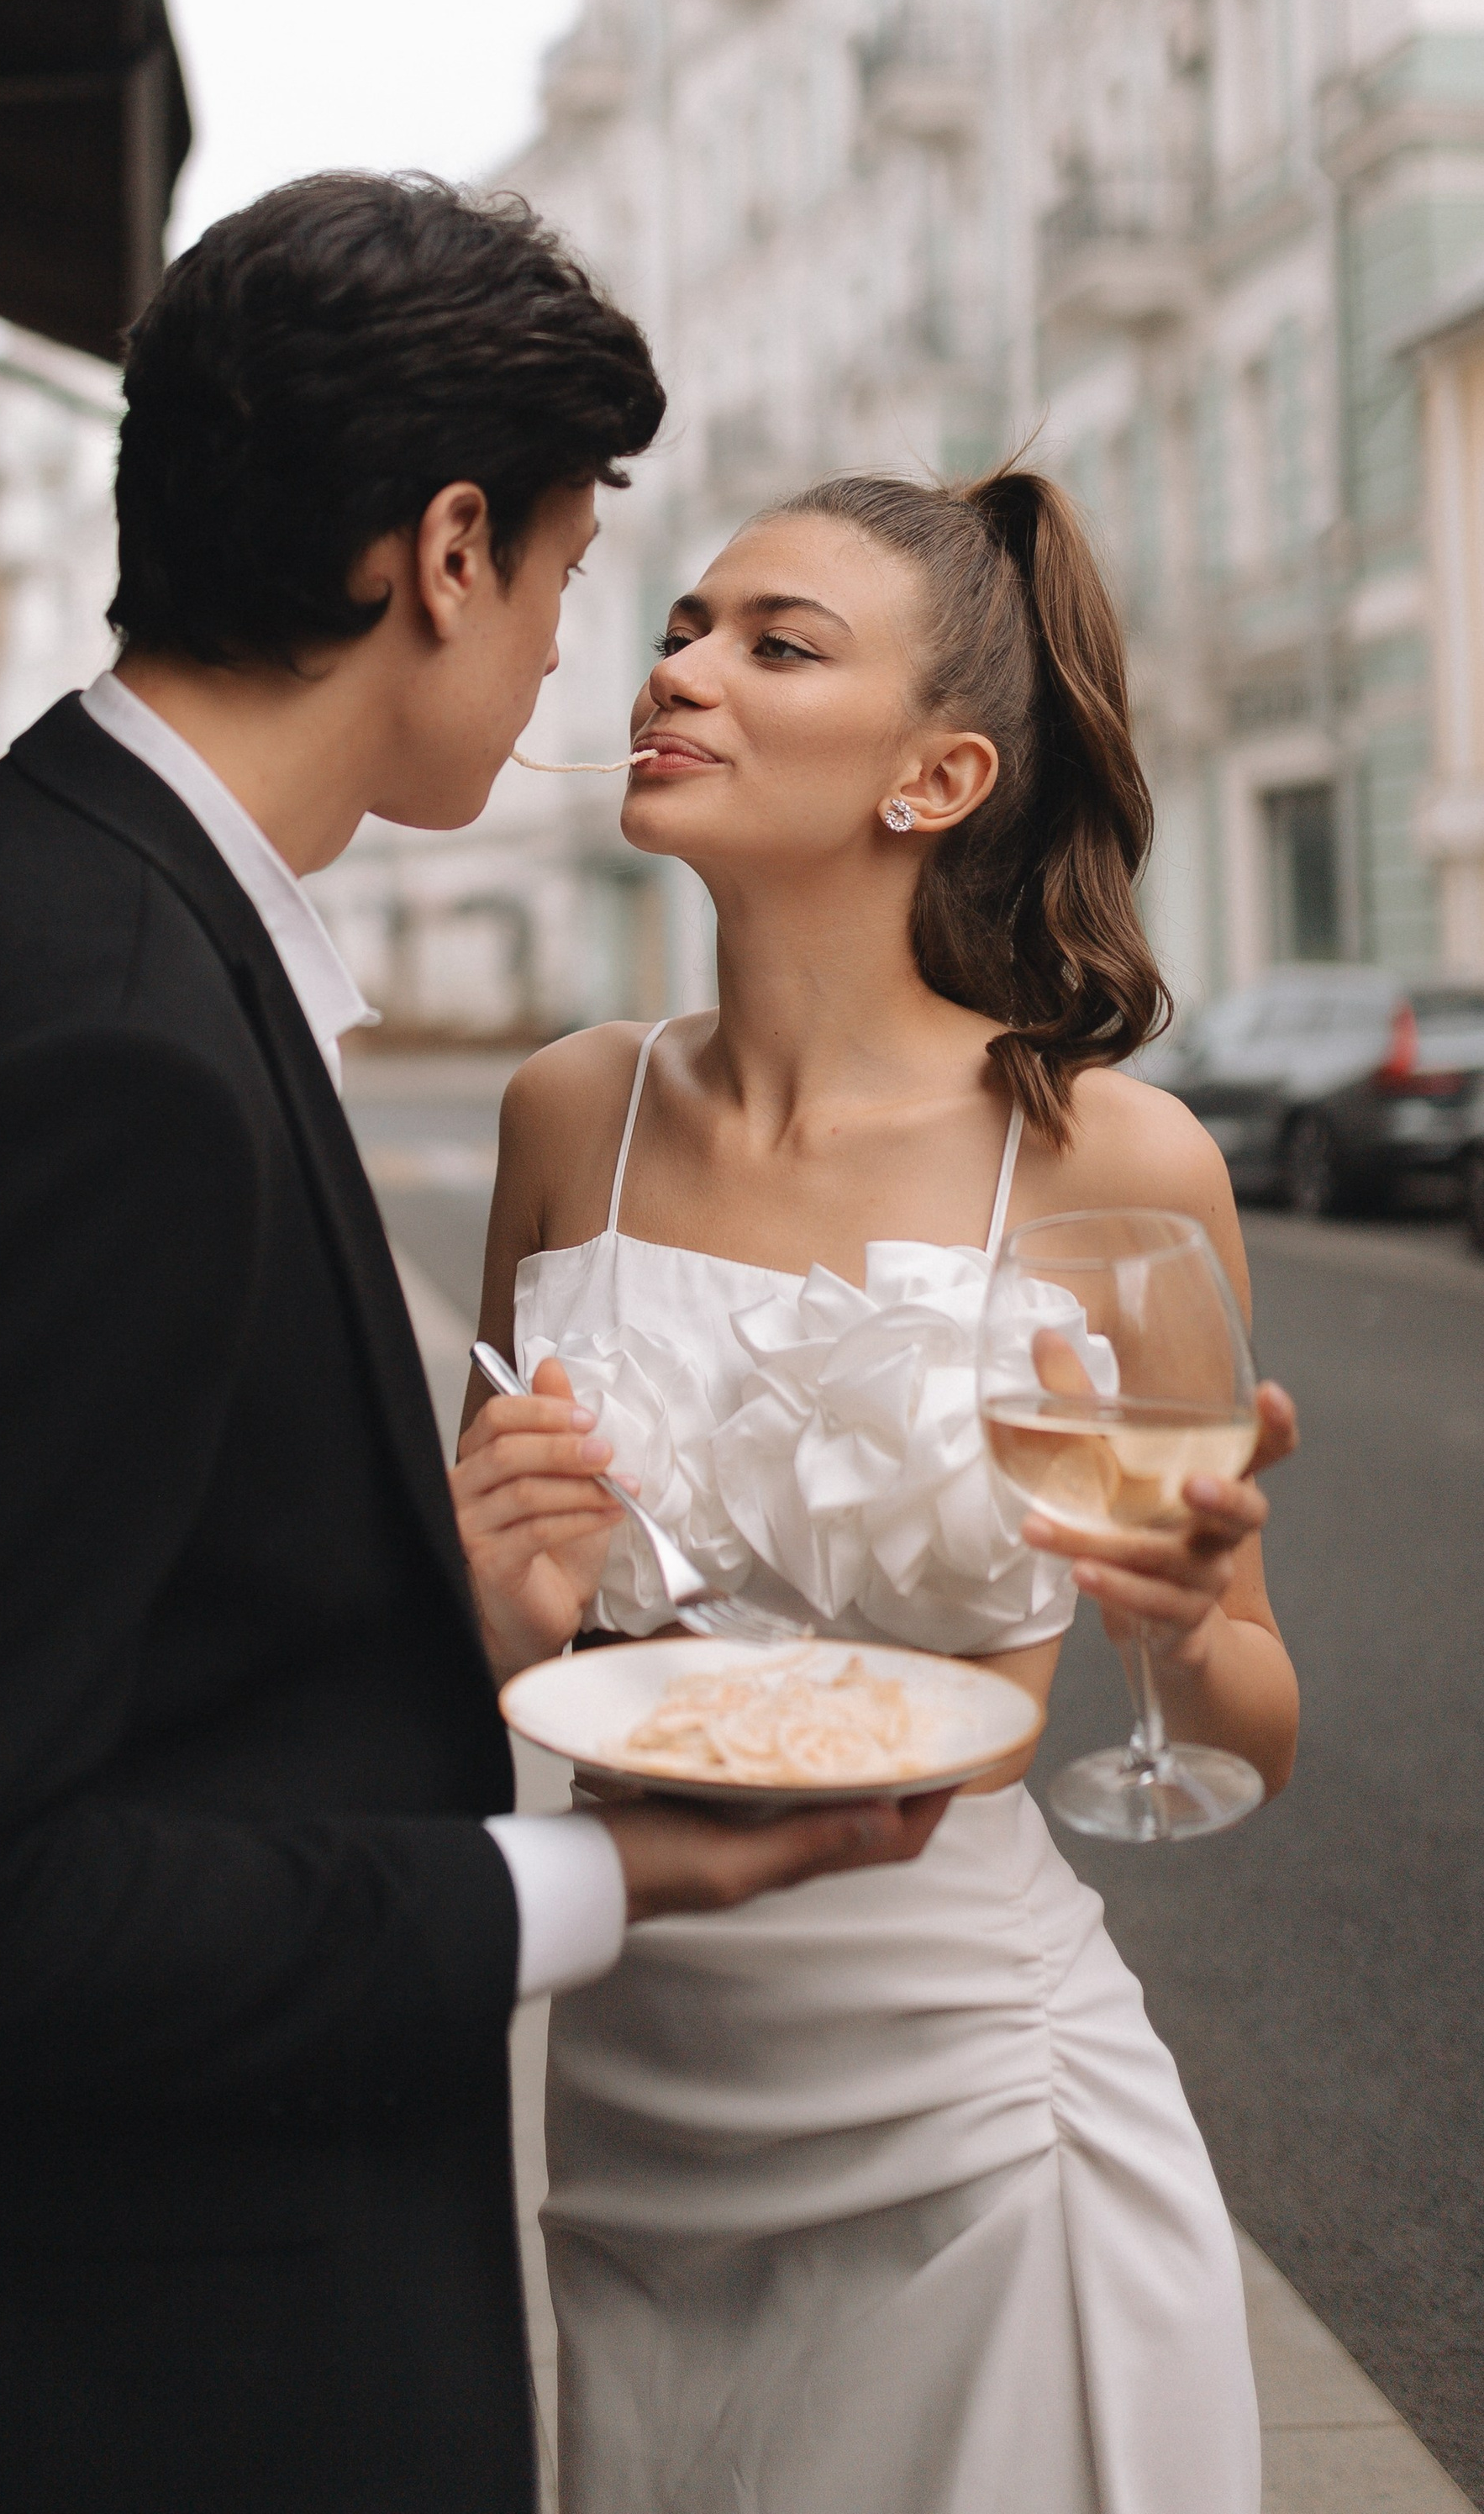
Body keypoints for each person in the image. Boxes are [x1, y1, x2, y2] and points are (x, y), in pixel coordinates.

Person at [0, 176, 952, 2514]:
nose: (572, 657)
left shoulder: (26, 896)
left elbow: (30, 1652)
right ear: (443, 553)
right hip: (87, 2390)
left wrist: (394, 1608)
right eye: (559, 577)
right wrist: (622, 1879)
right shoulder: (106, 1037)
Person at [454, 466, 1302, 2514]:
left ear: (935, 777)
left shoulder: (1112, 1158)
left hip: (974, 2109)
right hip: (636, 2090)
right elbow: (492, 1631)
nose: (677, 669)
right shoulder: (574, 1107)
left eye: (773, 643)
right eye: (680, 625)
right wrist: (482, 1597)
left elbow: (1244, 1734)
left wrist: (1181, 1623)